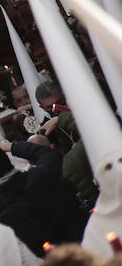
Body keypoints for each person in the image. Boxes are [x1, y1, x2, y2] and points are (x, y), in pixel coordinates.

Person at [0, 139, 89, 256]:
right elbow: (47, 154)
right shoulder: (39, 177)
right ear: (7, 158)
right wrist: (11, 146)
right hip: (80, 244)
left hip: (49, 263)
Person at [36, 78, 98, 207]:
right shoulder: (46, 129)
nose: (56, 108)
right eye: (50, 107)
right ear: (41, 107)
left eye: (59, 103)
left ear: (63, 95)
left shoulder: (85, 110)